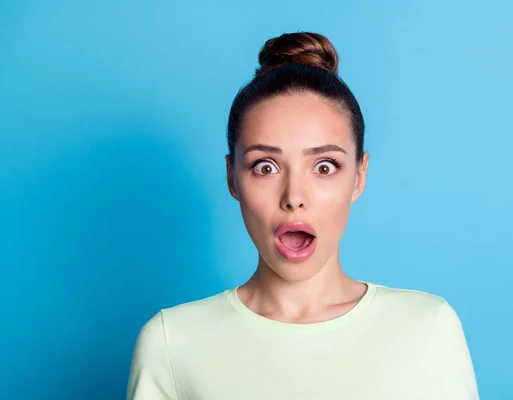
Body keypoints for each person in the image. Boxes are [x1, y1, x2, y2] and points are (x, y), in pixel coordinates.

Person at [126, 31, 479, 400]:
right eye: (266, 167)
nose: (294, 197)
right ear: (232, 177)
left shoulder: (426, 329)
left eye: (324, 167)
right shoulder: (171, 342)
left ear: (359, 176)